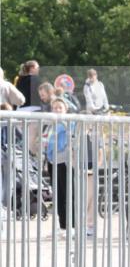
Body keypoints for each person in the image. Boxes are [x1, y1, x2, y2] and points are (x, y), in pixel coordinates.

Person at [44, 97, 74, 237]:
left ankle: (71, 226)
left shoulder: (70, 123)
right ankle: (62, 226)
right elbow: (45, 141)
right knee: (59, 196)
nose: (57, 110)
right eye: (54, 107)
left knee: (68, 194)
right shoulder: (50, 124)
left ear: (65, 109)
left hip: (65, 162)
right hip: (52, 161)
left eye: (59, 108)